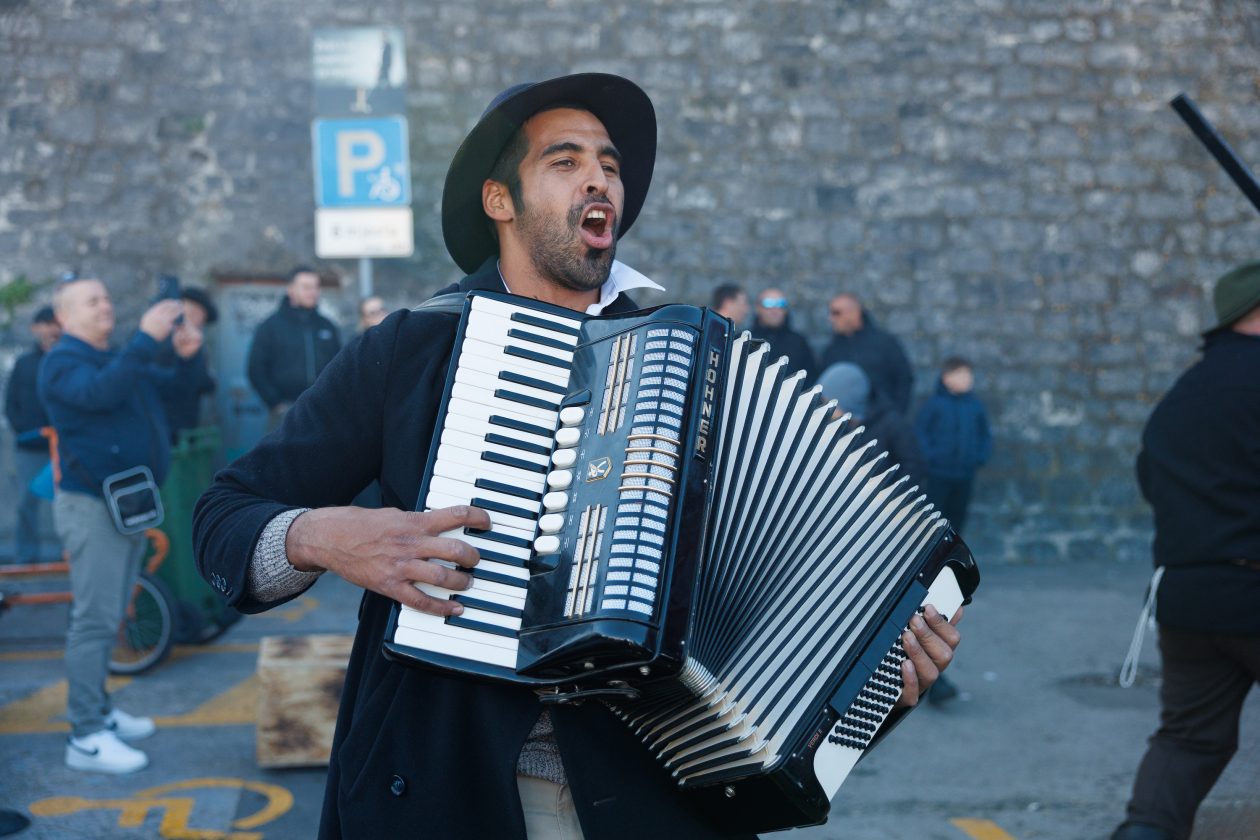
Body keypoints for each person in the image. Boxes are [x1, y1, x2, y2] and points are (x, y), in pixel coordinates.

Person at [194, 73, 962, 840]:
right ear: (501, 200)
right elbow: (225, 518)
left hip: (652, 799)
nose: (599, 177)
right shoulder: (413, 347)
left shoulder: (695, 367)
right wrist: (323, 537)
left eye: (610, 165)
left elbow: (773, 612)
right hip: (448, 792)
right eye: (564, 161)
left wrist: (865, 685)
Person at [1111, 262, 1260, 840]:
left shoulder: (1183, 394)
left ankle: (1142, 833)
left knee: (1190, 738)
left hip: (1189, 596)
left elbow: (1153, 478)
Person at [38, 275, 199, 774]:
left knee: (113, 615)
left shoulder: (115, 357)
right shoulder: (60, 364)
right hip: (91, 508)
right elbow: (102, 395)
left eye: (107, 296)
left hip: (126, 503)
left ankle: (101, 713)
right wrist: (146, 341)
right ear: (64, 317)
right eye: (92, 300)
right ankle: (85, 735)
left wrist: (186, 354)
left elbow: (173, 390)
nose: (105, 304)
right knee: (95, 620)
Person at [246, 266, 341, 429]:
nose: (313, 292)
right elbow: (255, 368)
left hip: (323, 411)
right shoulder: (271, 326)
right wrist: (275, 403)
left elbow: (340, 366)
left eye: (316, 287)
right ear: (290, 290)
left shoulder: (327, 326)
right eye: (306, 287)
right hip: (286, 412)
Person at [4, 305, 60, 564]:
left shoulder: (65, 360)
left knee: (67, 503)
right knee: (27, 502)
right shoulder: (24, 363)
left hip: (62, 447)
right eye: (45, 323)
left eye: (54, 323)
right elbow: (11, 403)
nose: (51, 329)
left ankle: (69, 554)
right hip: (29, 447)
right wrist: (24, 431)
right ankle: (27, 556)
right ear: (35, 328)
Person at [914, 356, 992, 535]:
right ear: (946, 378)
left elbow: (985, 435)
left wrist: (979, 458)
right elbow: (920, 433)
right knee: (934, 520)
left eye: (968, 376)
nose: (967, 380)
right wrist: (931, 457)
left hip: (965, 474)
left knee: (957, 521)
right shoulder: (934, 405)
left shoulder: (975, 406)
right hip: (938, 474)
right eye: (961, 375)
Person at [819, 293, 915, 414]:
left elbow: (904, 378)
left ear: (854, 313)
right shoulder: (831, 350)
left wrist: (896, 414)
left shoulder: (884, 343)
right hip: (846, 424)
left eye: (836, 313)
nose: (831, 318)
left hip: (882, 422)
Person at [157, 284, 218, 442]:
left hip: (186, 423)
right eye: (190, 311)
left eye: (199, 315)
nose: (194, 319)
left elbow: (203, 384)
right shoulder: (162, 339)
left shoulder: (198, 346)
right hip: (163, 425)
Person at [749, 287, 815, 382]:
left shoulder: (799, 342)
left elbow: (811, 379)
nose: (775, 309)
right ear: (758, 308)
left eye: (781, 304)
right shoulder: (746, 340)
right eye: (768, 304)